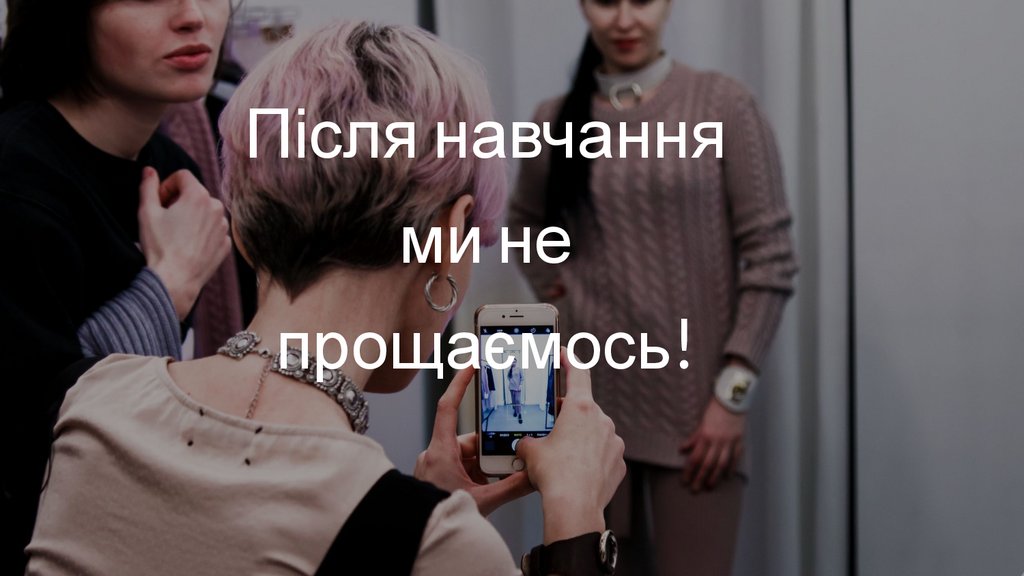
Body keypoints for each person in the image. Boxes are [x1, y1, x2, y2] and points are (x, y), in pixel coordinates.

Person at [25, 20, 626, 575]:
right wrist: (576, 518)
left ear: (243, 229)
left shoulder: (86, 401)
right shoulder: (437, 544)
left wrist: (425, 513)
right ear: (447, 237)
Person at [509, 1, 798, 574]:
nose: (624, 20)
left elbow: (772, 258)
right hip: (589, 411)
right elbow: (522, 223)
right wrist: (554, 284)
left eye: (641, 0)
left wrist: (731, 398)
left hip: (698, 417)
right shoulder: (553, 119)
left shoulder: (723, 105)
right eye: (605, 1)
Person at [0, 0, 233, 570]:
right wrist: (171, 284)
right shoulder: (14, 181)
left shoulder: (173, 167)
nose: (192, 16)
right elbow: (41, 439)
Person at [508, 355, 525, 422]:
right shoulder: (509, 370)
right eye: (512, 362)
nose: (513, 363)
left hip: (517, 388)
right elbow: (508, 377)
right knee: (513, 401)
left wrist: (520, 385)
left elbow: (522, 378)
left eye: (514, 361)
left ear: (516, 362)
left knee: (517, 400)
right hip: (511, 388)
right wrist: (510, 383)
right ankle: (515, 410)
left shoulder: (519, 369)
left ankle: (519, 414)